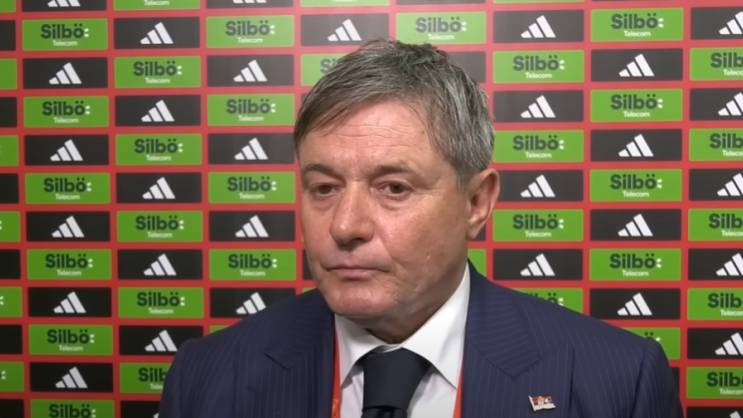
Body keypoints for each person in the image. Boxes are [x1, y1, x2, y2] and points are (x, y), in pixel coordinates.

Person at [159, 39, 682, 418]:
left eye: (393, 188)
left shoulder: (618, 382)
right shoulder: (206, 378)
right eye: (324, 188)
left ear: (477, 202)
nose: (345, 226)